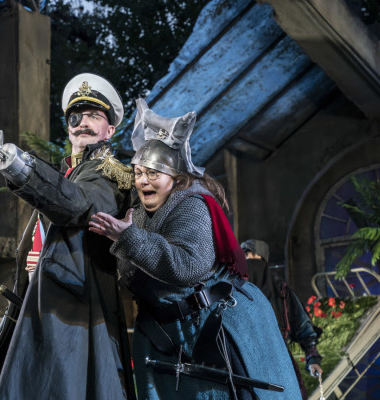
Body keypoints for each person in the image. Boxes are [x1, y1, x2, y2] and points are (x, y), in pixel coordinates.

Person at [89, 98, 301, 399]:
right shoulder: (139, 210)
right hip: (163, 334)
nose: (143, 181)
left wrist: (129, 239)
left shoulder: (191, 203)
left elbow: (189, 265)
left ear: (174, 178)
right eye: (138, 173)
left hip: (211, 326)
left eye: (153, 174)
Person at [0, 73, 135, 399]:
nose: (83, 123)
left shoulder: (110, 173)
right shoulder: (66, 173)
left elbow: (79, 204)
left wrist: (23, 169)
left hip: (75, 315)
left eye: (94, 116)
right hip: (41, 306)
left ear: (110, 130)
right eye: (76, 117)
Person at [241, 239, 323, 399]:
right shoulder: (234, 290)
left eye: (254, 255)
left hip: (278, 359)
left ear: (263, 260)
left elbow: (302, 325)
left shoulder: (281, 291)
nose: (249, 260)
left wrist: (312, 357)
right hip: (244, 360)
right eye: (245, 256)